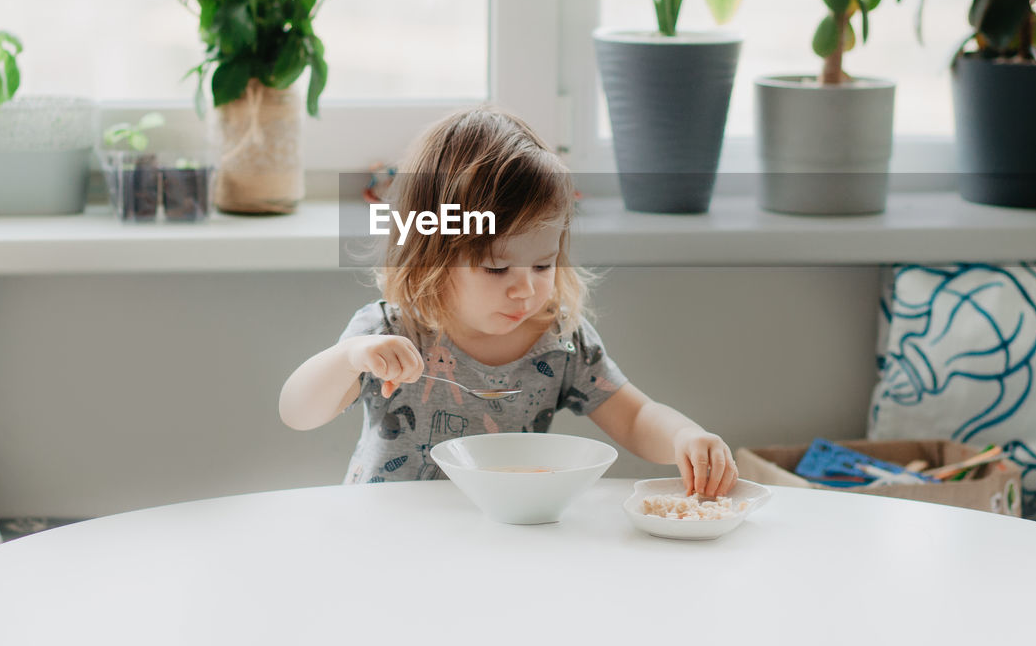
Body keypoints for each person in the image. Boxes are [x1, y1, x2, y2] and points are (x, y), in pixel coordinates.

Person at [279, 107, 739, 495]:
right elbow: (297, 411)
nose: (525, 289)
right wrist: (349, 357)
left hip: (501, 542)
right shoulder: (391, 333)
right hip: (390, 541)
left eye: (542, 266)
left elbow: (635, 417)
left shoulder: (559, 340)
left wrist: (685, 436)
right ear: (433, 253)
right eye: (497, 269)